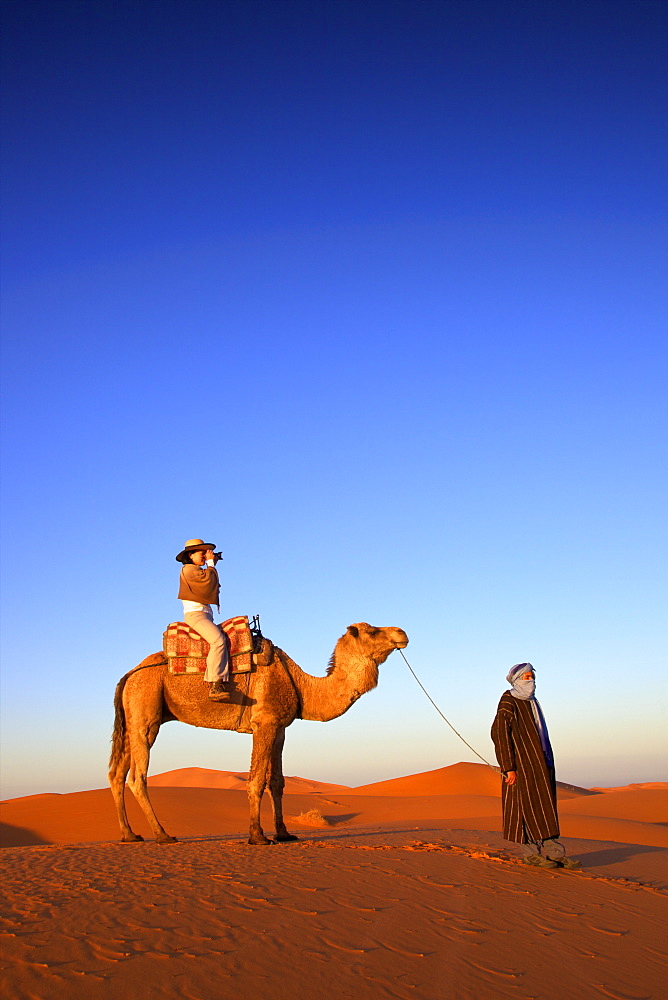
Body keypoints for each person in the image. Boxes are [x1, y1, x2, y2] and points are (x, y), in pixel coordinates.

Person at [491, 663, 580, 869]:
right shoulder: (509, 700)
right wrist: (508, 767)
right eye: (525, 677)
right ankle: (530, 854)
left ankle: (555, 853)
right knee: (525, 807)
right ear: (515, 680)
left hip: (541, 761)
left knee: (545, 806)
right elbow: (499, 733)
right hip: (521, 765)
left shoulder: (532, 701)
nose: (529, 681)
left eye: (531, 676)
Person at [175, 538, 231, 701]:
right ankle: (216, 684)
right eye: (202, 553)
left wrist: (211, 565)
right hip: (196, 615)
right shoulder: (188, 570)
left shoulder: (197, 570)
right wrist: (211, 565)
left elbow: (209, 581)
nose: (205, 556)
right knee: (218, 641)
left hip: (205, 615)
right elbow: (208, 582)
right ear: (190, 555)